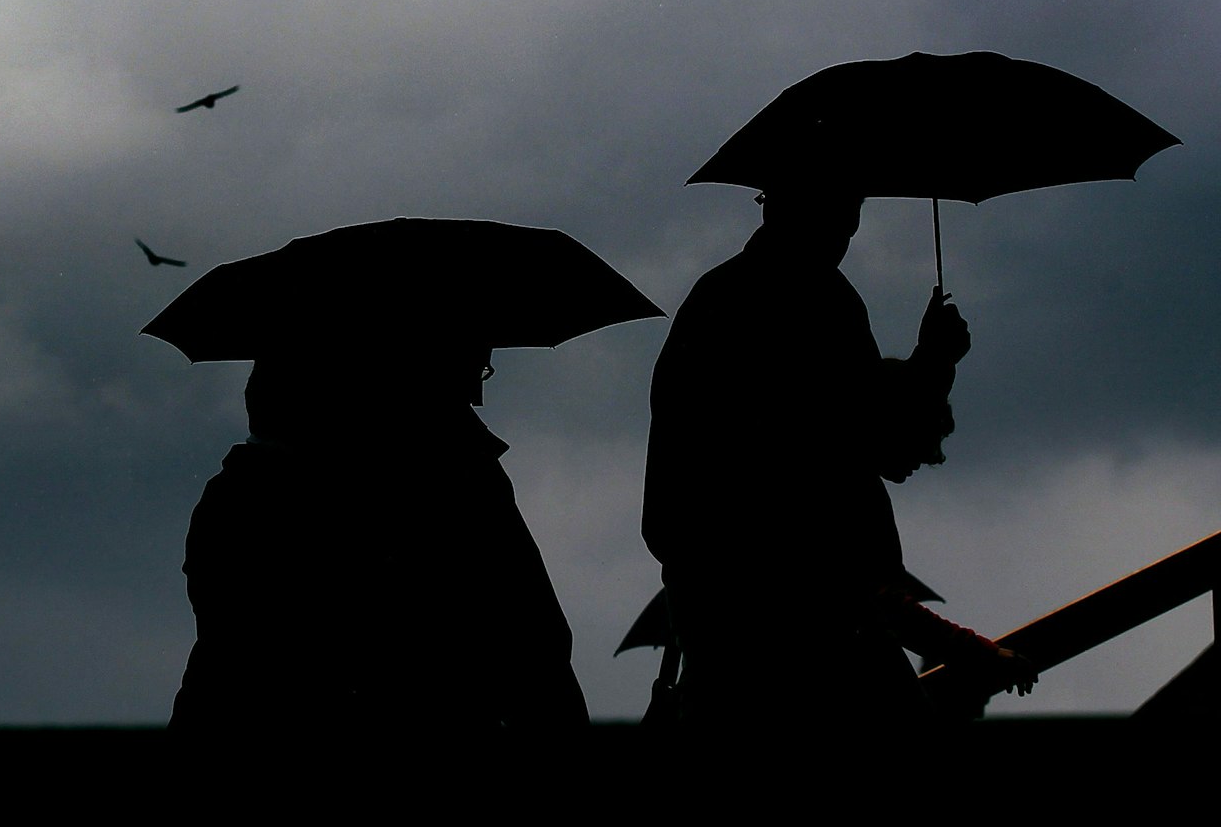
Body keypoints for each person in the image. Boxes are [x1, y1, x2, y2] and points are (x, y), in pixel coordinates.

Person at [642, 183, 1034, 725]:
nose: (847, 235)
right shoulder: (817, 301)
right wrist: (934, 361)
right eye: (844, 216)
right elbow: (866, 445)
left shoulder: (716, 299)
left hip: (719, 622)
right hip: (812, 631)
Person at [168, 340, 589, 734]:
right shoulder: (448, 481)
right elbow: (534, 650)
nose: (477, 383)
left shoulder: (241, 492)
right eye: (474, 364)